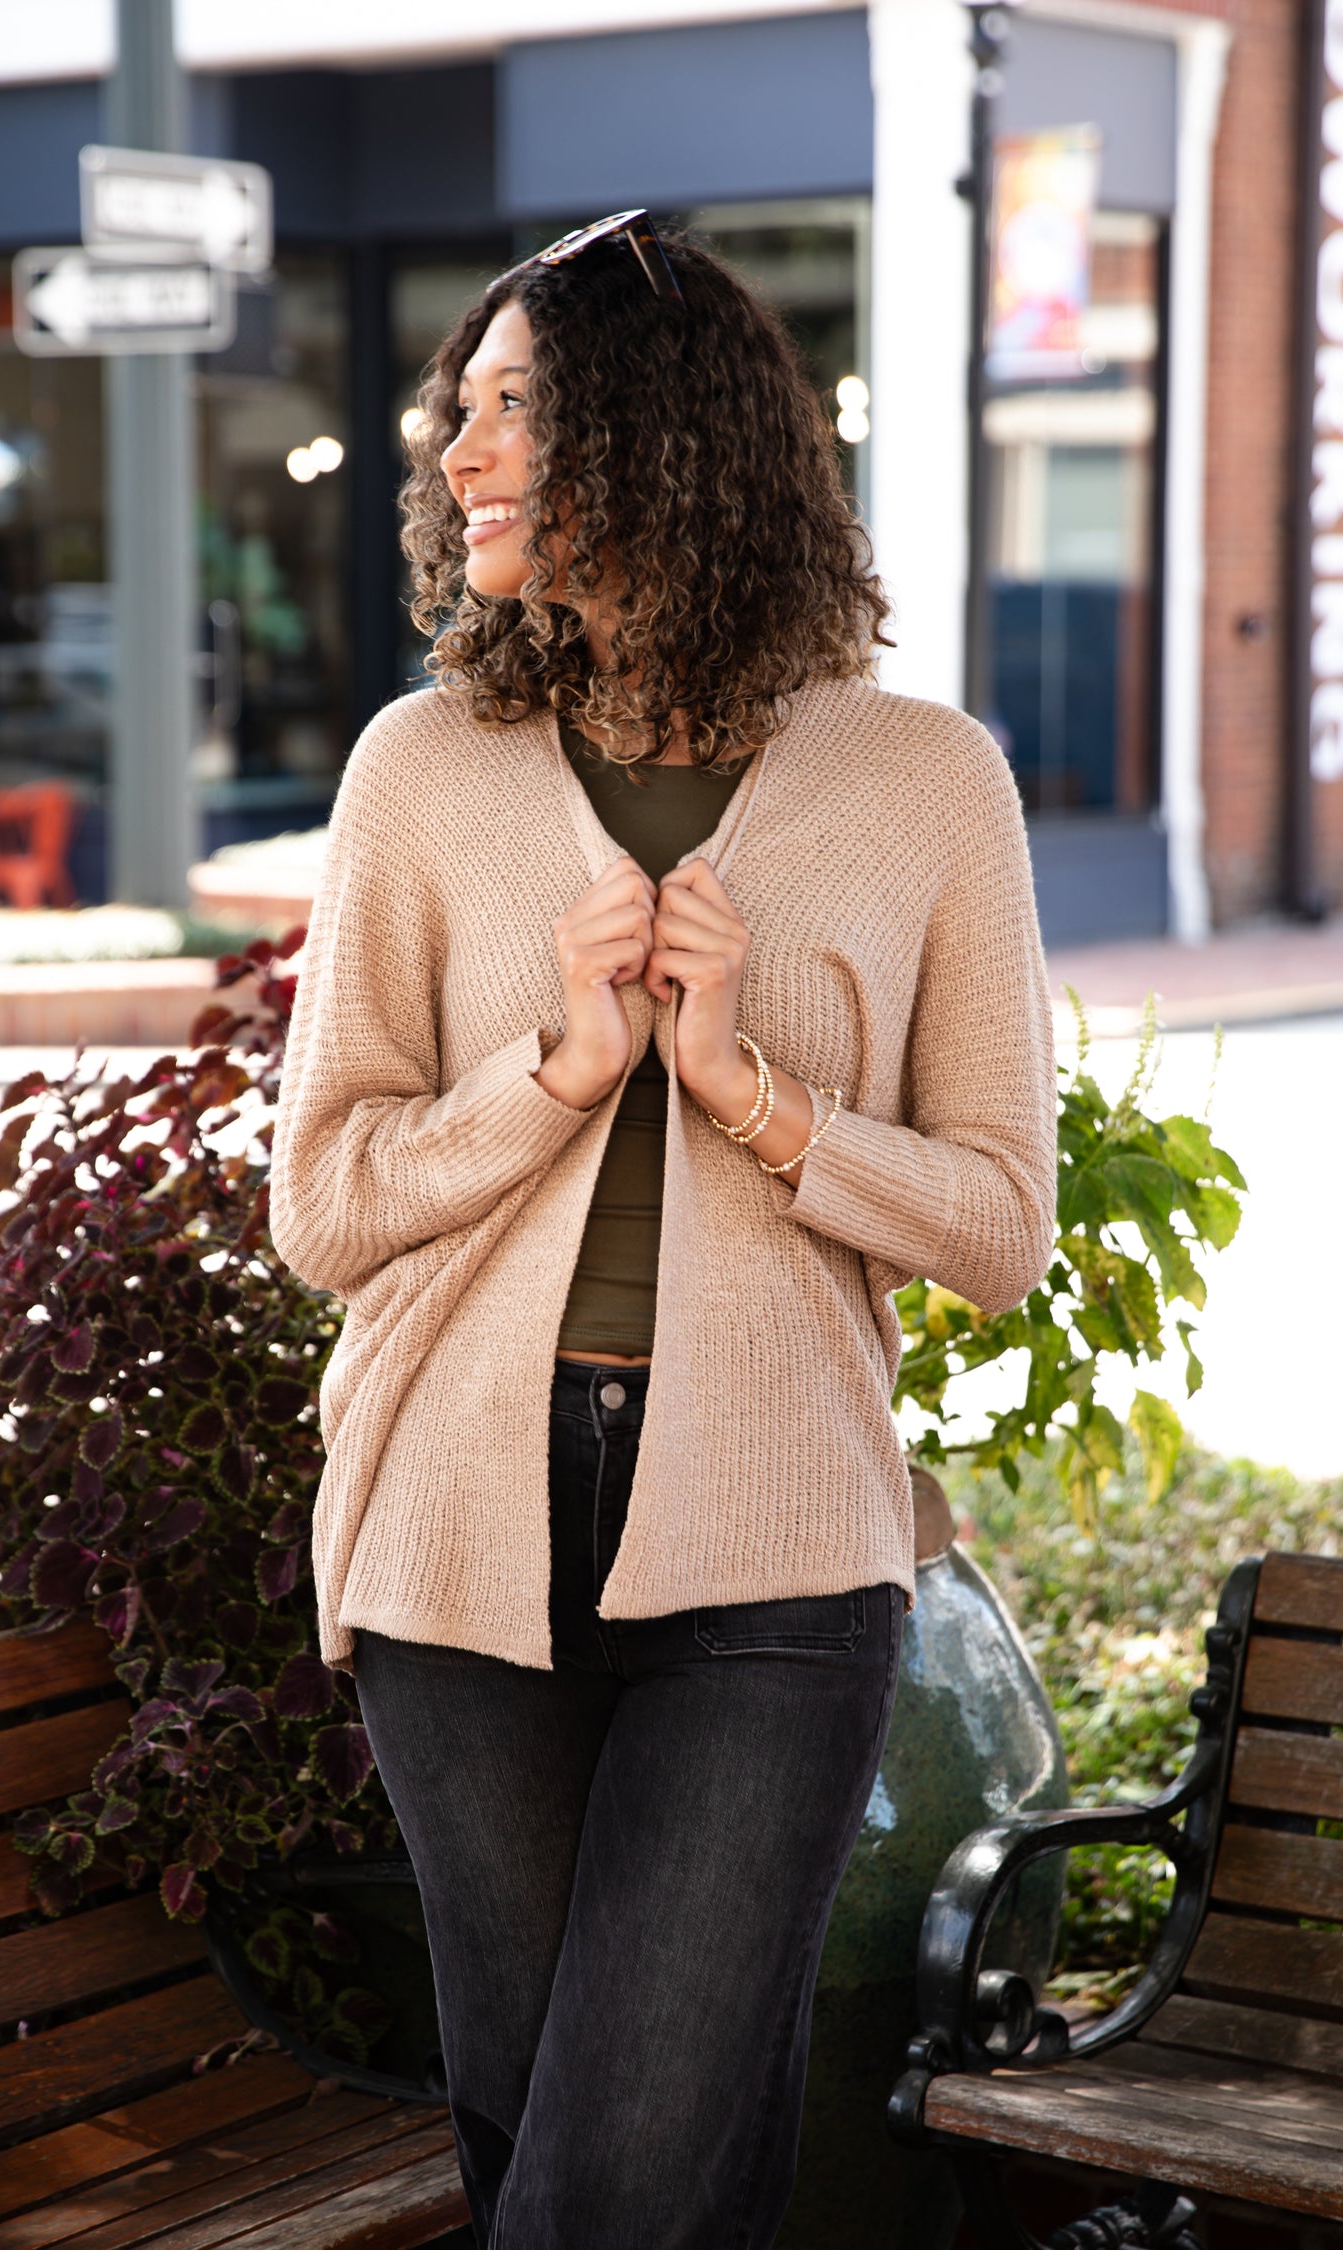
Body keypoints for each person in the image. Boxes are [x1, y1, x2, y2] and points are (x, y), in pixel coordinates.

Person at [271, 212, 1058, 2249]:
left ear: (666, 432)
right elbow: (324, 1200)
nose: (459, 453)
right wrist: (551, 1075)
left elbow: (997, 1224)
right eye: (464, 407)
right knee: (567, 2149)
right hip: (461, 1531)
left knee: (622, 2176)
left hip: (781, 1552)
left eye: (514, 406)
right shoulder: (422, 774)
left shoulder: (922, 782)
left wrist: (759, 1101)